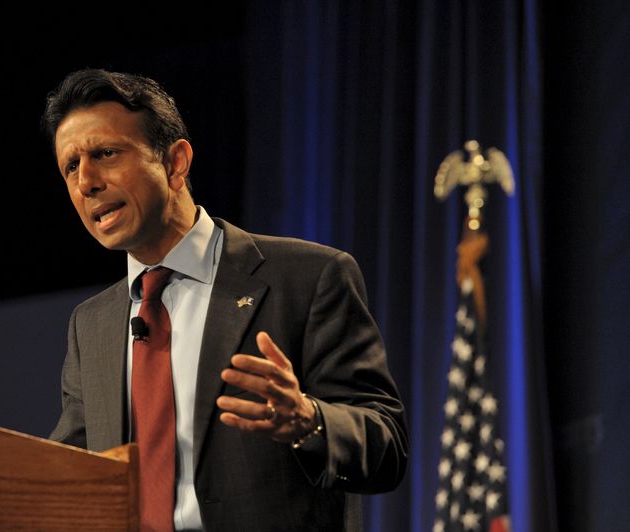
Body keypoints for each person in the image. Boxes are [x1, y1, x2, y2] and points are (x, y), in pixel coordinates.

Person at [43, 68, 408, 531]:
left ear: (175, 163)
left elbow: (387, 447)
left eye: (105, 154)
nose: (86, 182)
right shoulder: (90, 323)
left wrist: (309, 420)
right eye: (70, 167)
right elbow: (68, 472)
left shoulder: (307, 277)